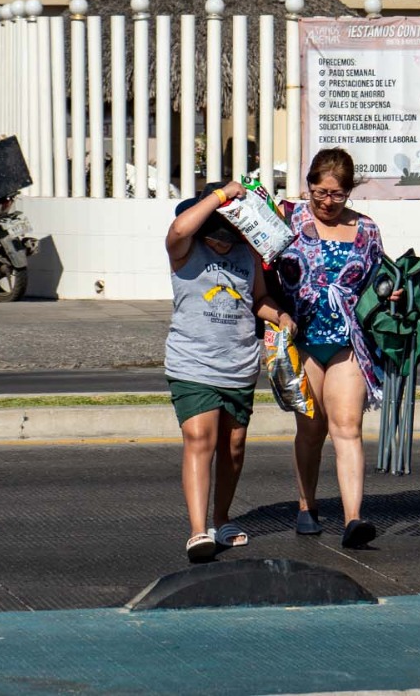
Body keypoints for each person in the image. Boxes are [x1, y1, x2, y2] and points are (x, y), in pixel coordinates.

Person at [165, 180, 295, 562]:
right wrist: (222, 196)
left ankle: (222, 519)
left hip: (238, 363)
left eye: (231, 234)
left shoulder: (247, 253)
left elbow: (258, 300)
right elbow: (178, 229)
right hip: (192, 361)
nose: (224, 242)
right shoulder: (184, 249)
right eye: (218, 234)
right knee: (198, 437)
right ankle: (197, 530)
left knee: (233, 447)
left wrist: (280, 316)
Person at [275, 149, 389, 549]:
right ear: (308, 184)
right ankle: (306, 504)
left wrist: (390, 297)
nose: (326, 201)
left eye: (337, 194)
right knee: (310, 429)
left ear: (349, 192)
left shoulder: (367, 230)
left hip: (347, 342)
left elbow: (379, 279)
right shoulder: (287, 219)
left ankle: (354, 517)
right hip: (302, 339)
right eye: (320, 192)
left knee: (347, 428)